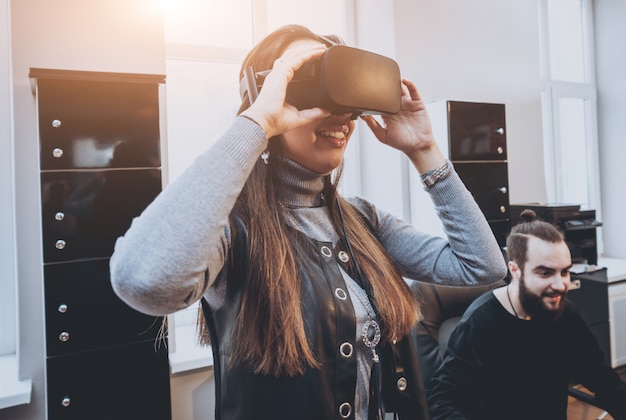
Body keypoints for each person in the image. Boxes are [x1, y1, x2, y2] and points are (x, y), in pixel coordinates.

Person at [110, 24, 506, 420]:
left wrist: (425, 150)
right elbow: (145, 281)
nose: (338, 113)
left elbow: (482, 265)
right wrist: (256, 125)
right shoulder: (236, 231)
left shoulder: (363, 221)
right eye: (310, 87)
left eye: (341, 90)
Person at [428, 209, 626, 420]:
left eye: (565, 272)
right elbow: (444, 400)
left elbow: (603, 380)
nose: (560, 285)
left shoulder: (565, 314)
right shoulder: (479, 322)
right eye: (545, 273)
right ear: (515, 270)